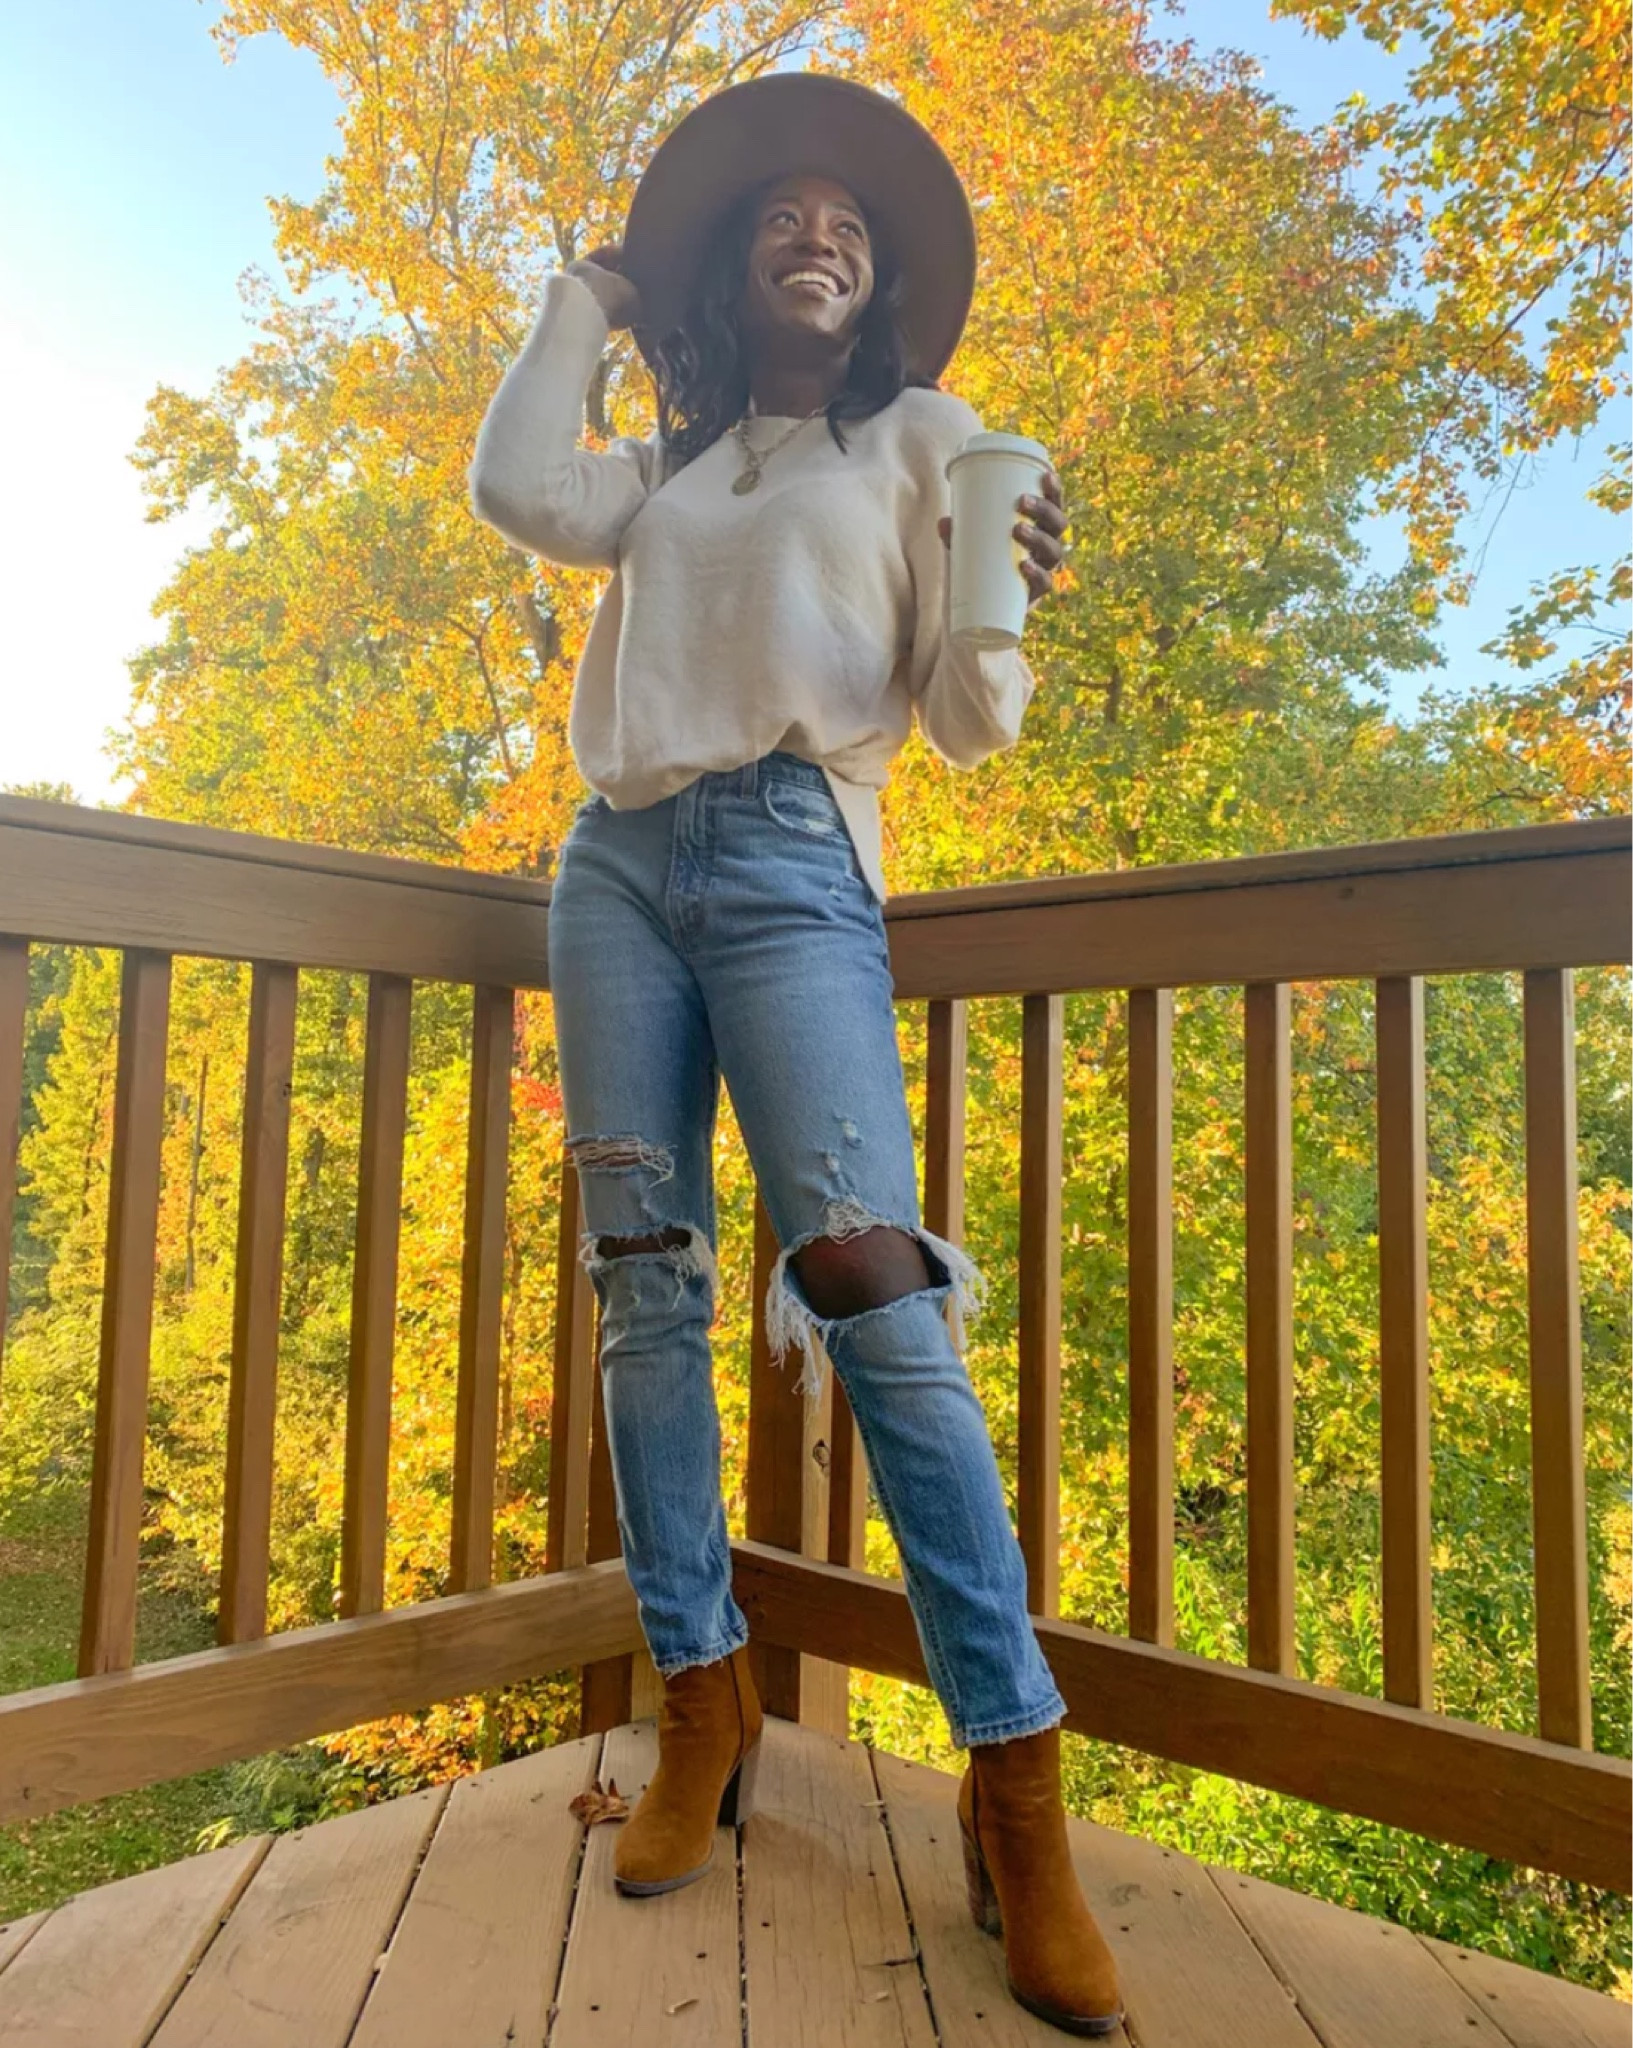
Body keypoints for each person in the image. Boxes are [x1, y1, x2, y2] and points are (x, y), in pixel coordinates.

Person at [469, 71, 1123, 2037]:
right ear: (735, 266)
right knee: (644, 1288)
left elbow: (969, 725)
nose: (813, 234)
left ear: (878, 276)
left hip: (790, 856)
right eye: (779, 216)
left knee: (871, 1288)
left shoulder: (928, 439)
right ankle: (703, 1700)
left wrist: (1006, 605)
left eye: (845, 222)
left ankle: (1014, 1782)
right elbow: (516, 488)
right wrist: (586, 299)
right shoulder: (666, 467)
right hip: (614, 868)